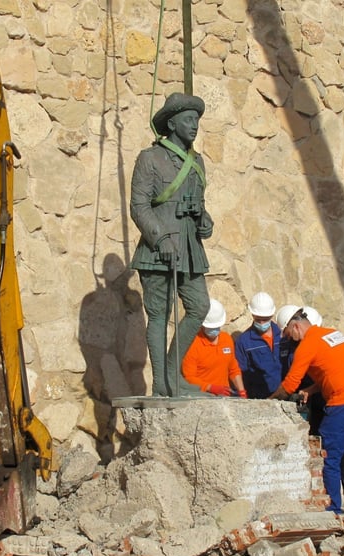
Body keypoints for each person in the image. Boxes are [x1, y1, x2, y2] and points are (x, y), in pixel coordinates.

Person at [270, 307, 344, 520]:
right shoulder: (333, 335)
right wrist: (311, 390)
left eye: (288, 334)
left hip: (343, 406)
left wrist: (270, 401)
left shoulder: (307, 345)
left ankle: (333, 509)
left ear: (295, 326)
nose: (289, 339)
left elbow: (290, 384)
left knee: (328, 456)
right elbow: (335, 372)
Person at [129, 92, 214, 397]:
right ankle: (161, 383)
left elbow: (200, 205)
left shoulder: (197, 161)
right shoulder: (150, 158)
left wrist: (204, 220)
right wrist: (161, 238)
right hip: (158, 251)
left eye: (197, 120)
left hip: (190, 250)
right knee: (159, 315)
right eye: (188, 119)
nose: (194, 125)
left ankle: (172, 373)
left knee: (199, 306)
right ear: (173, 123)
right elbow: (139, 206)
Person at [180, 299, 246, 397]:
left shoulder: (226, 339)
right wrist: (210, 387)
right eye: (210, 328)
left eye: (217, 327)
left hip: (224, 396)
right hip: (201, 396)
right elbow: (189, 377)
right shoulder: (192, 344)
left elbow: (233, 369)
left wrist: (242, 391)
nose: (214, 330)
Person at [234, 292, 282, 399]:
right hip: (260, 397)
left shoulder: (283, 335)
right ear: (252, 315)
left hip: (285, 393)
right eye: (258, 319)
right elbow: (240, 372)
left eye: (265, 319)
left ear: (271, 315)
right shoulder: (243, 341)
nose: (261, 323)